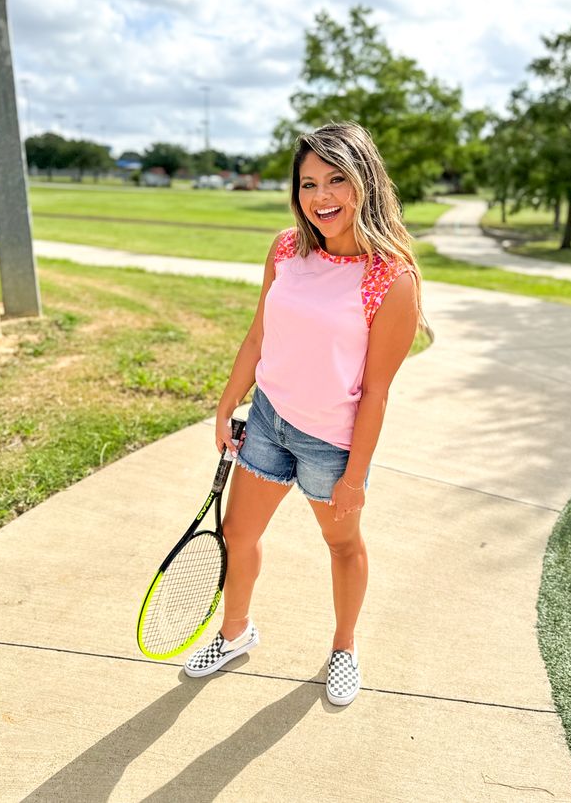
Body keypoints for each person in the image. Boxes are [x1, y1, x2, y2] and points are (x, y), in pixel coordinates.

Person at [184, 121, 430, 705]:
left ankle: (344, 648)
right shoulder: (285, 249)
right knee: (238, 534)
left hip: (331, 443)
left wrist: (354, 476)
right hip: (268, 421)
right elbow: (258, 335)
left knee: (343, 545)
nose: (321, 197)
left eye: (337, 180)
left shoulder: (392, 278)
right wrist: (227, 404)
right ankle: (235, 633)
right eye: (308, 183)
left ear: (365, 182)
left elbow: (376, 392)